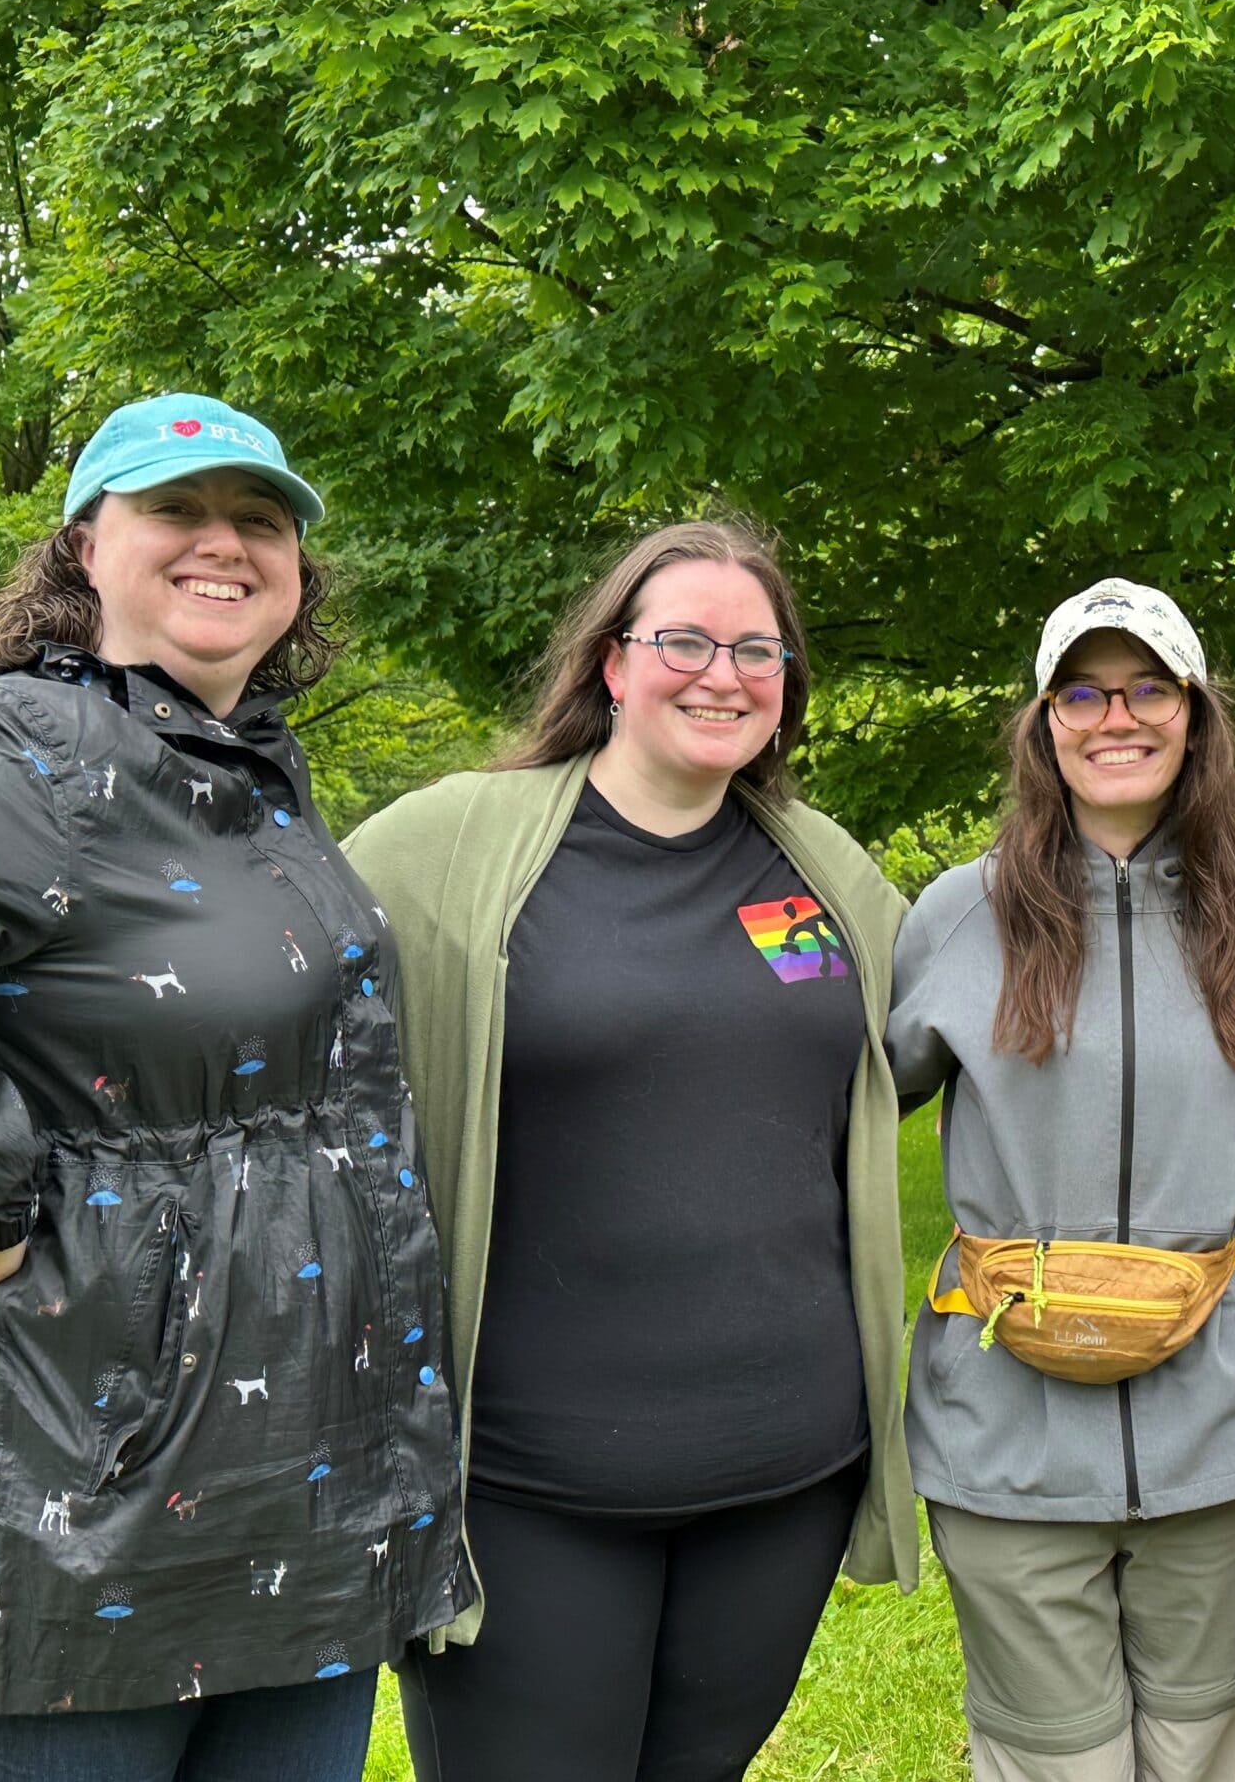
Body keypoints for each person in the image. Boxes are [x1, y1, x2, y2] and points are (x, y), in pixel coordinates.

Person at [0, 393, 470, 1777]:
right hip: (77, 1479)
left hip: (301, 1479)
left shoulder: (242, 767)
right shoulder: (21, 750)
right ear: (87, 548)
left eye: (259, 518)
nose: (223, 542)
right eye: (173, 510)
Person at [342, 520, 919, 1782]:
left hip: (783, 1478)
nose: (724, 674)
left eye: (757, 650)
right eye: (684, 641)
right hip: (529, 1490)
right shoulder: (452, 847)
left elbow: (935, 1040)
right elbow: (254, 999)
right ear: (611, 662)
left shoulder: (814, 872)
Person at [885, 578, 1235, 1782]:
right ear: (1044, 723)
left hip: (1220, 1431)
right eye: (1081, 693)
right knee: (1056, 1762)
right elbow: (847, 1113)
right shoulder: (958, 915)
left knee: (1197, 1752)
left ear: (1194, 712)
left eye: (1146, 689)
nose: (1115, 717)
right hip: (1006, 1439)